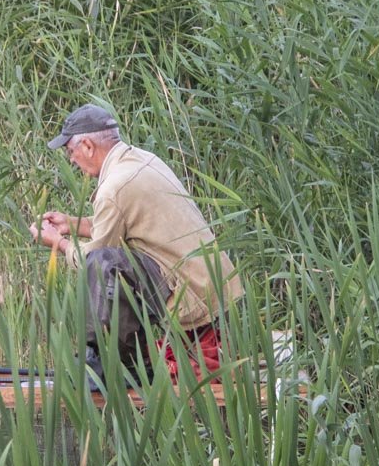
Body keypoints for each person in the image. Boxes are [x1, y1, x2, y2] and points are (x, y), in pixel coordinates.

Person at [30, 103, 243, 384]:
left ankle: (116, 361)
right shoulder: (143, 160)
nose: (72, 160)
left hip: (194, 298)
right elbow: (125, 222)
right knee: (110, 261)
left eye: (71, 151)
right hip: (214, 285)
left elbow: (91, 257)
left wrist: (59, 243)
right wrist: (71, 224)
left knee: (103, 265)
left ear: (88, 146)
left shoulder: (114, 187)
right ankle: (126, 360)